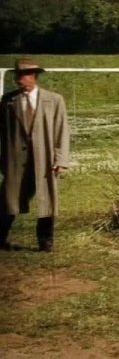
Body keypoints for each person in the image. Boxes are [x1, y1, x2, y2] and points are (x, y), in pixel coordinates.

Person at [0, 58, 70, 252]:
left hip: (44, 159)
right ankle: (1, 237)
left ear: (34, 77)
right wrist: (4, 160)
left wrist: (61, 159)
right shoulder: (8, 101)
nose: (19, 80)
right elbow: (3, 134)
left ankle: (45, 241)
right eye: (17, 76)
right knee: (8, 199)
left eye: (23, 76)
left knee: (46, 200)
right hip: (16, 160)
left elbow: (61, 131)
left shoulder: (54, 100)